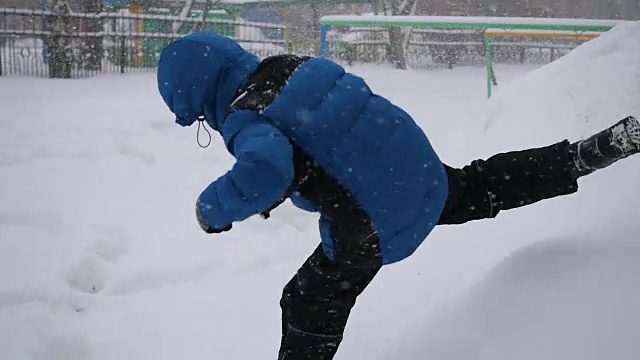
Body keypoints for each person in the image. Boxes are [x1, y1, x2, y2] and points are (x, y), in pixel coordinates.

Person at [156, 33, 640, 359]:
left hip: (374, 220)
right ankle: (577, 156)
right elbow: (326, 132)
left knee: (305, 302)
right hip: (420, 174)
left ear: (201, 96)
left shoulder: (247, 114)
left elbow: (265, 169)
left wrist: (211, 209)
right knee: (479, 185)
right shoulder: (291, 66)